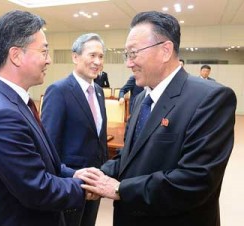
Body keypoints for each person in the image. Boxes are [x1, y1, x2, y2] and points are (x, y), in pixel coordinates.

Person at [79, 11, 237, 226]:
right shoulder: (142, 98)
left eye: (133, 53)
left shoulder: (210, 98)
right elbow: (130, 157)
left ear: (165, 50)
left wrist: (118, 188)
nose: (128, 63)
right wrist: (98, 175)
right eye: (127, 55)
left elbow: (195, 180)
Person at [0, 10, 88, 226]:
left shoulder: (13, 101)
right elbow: (37, 189)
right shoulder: (1, 115)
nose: (49, 60)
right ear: (16, 55)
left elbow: (42, 164)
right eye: (44, 51)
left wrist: (75, 174)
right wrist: (87, 188)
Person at [41, 33, 108, 226]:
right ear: (75, 57)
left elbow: (98, 139)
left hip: (96, 181)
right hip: (69, 183)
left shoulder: (99, 92)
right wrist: (67, 176)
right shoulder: (58, 91)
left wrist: (102, 174)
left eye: (101, 56)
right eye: (92, 55)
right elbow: (49, 148)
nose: (97, 61)